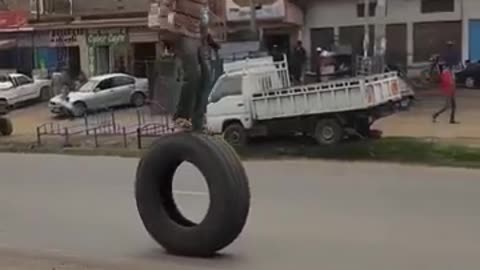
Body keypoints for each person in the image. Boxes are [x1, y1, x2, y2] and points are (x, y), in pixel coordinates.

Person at [173, 7, 221, 131]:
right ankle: (181, 117)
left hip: (198, 41)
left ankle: (198, 119)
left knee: (206, 76)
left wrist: (211, 41)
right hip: (184, 36)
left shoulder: (202, 7)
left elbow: (203, 23)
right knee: (193, 74)